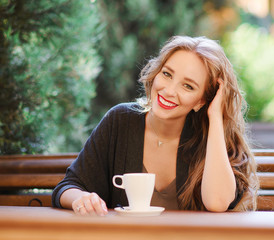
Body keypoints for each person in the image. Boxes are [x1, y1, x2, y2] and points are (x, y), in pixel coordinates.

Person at [52, 35, 258, 216]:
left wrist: (215, 117)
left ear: (201, 101)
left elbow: (217, 203)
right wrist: (81, 199)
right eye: (167, 74)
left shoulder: (213, 140)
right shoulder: (120, 120)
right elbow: (68, 186)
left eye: (188, 86)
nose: (168, 90)